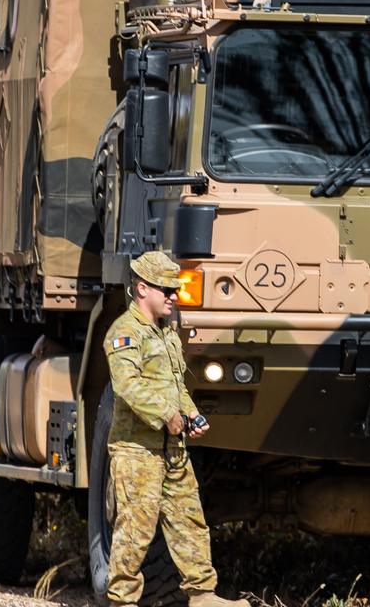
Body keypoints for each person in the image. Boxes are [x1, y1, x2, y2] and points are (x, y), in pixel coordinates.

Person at [103, 251, 249, 607]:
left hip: (173, 451)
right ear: (141, 289)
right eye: (166, 289)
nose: (174, 296)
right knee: (135, 531)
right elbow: (127, 386)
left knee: (190, 522)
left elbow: (176, 384)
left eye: (175, 290)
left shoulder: (166, 333)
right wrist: (167, 414)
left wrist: (191, 413)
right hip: (138, 452)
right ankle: (121, 600)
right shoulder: (124, 333)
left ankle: (203, 596)